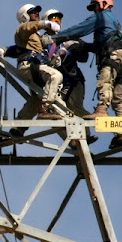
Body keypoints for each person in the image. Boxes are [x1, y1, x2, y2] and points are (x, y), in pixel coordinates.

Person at [52, 0, 122, 148]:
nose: (94, 10)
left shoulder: (101, 17)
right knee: (118, 99)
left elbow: (80, 29)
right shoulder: (114, 22)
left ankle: (102, 109)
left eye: (95, 6)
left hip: (111, 57)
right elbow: (99, 45)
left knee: (105, 83)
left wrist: (56, 38)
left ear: (102, 4)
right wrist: (83, 46)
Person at [41, 9, 98, 145]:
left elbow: (84, 58)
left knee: (75, 107)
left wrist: (78, 46)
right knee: (56, 113)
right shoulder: (42, 42)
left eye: (59, 19)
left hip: (73, 81)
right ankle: (72, 139)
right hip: (55, 83)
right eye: (53, 19)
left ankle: (86, 134)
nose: (57, 21)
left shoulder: (66, 38)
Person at [9, 3, 63, 130]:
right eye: (33, 12)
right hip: (28, 66)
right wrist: (46, 24)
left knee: (49, 101)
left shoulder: (37, 37)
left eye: (38, 12)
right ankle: (44, 109)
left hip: (37, 67)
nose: (37, 14)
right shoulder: (23, 29)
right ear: (25, 17)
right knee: (55, 76)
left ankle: (17, 129)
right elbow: (28, 28)